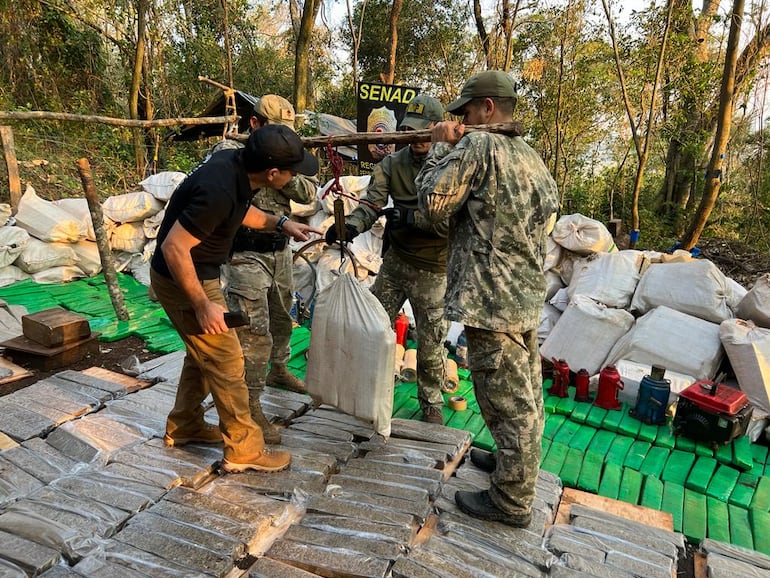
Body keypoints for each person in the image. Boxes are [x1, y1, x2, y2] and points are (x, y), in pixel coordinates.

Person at [415, 70, 559, 527]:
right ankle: (511, 465)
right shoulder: (530, 156)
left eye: (466, 110)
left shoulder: (480, 146)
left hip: (492, 300)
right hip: (523, 294)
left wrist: (441, 146)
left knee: (506, 402)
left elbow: (433, 203)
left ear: (488, 108)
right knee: (526, 395)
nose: (460, 118)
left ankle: (512, 501)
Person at [150, 124, 320, 474]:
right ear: (273, 173)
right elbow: (174, 247)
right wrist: (202, 303)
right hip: (185, 278)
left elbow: (242, 211)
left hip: (199, 272)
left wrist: (280, 222)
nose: (292, 178)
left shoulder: (234, 164)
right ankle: (244, 449)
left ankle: (184, 425)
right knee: (227, 360)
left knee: (202, 355)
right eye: (290, 172)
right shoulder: (219, 189)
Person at [325, 94, 449, 424]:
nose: (417, 138)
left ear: (437, 129)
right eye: (410, 130)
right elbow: (371, 204)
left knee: (432, 340)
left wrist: (412, 219)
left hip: (434, 269)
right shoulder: (392, 164)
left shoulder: (453, 165)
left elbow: (456, 220)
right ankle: (363, 389)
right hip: (396, 263)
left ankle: (431, 402)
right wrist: (348, 228)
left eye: (424, 131)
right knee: (374, 326)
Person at [221, 95, 318, 445]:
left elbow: (309, 194)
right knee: (253, 332)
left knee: (281, 319)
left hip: (279, 252)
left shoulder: (285, 160)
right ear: (255, 124)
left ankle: (279, 369)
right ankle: (249, 405)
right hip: (245, 255)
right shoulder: (230, 156)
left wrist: (283, 173)